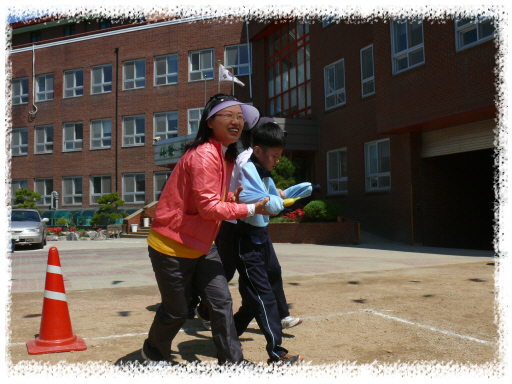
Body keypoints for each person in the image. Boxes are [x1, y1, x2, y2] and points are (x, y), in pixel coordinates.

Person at [141, 93, 271, 365]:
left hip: (202, 245)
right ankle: (153, 351)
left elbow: (210, 203)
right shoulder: (203, 155)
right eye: (230, 116)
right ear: (210, 121)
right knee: (176, 311)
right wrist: (249, 209)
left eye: (240, 118)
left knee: (221, 304)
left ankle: (233, 364)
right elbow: (209, 209)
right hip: (172, 245)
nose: (237, 122)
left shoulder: (224, 156)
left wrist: (230, 201)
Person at [192, 120, 303, 331]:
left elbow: (264, 187)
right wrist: (272, 198)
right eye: (274, 152)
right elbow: (253, 193)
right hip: (235, 223)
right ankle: (205, 309)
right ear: (258, 144)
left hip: (256, 223)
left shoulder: (261, 161)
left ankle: (280, 314)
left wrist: (275, 193)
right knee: (227, 272)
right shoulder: (246, 160)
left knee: (270, 270)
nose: (277, 158)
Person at [232, 119, 304, 366]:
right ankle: (277, 354)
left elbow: (273, 199)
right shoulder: (246, 168)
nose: (277, 161)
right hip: (245, 240)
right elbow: (266, 204)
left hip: (262, 238)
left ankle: (228, 333)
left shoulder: (263, 171)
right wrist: (275, 201)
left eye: (280, 156)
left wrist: (283, 195)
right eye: (274, 155)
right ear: (258, 150)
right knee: (263, 297)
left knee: (267, 286)